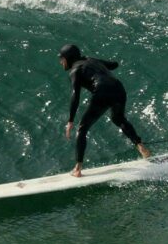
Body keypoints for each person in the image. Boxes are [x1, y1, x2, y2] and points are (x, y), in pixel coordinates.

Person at [58, 44, 151, 177]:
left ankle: (77, 169)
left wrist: (70, 121)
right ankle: (141, 147)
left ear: (69, 58)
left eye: (62, 59)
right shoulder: (90, 60)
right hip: (118, 88)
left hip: (102, 90)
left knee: (82, 129)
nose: (61, 62)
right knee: (118, 119)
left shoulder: (75, 71)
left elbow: (75, 95)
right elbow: (113, 65)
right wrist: (98, 62)